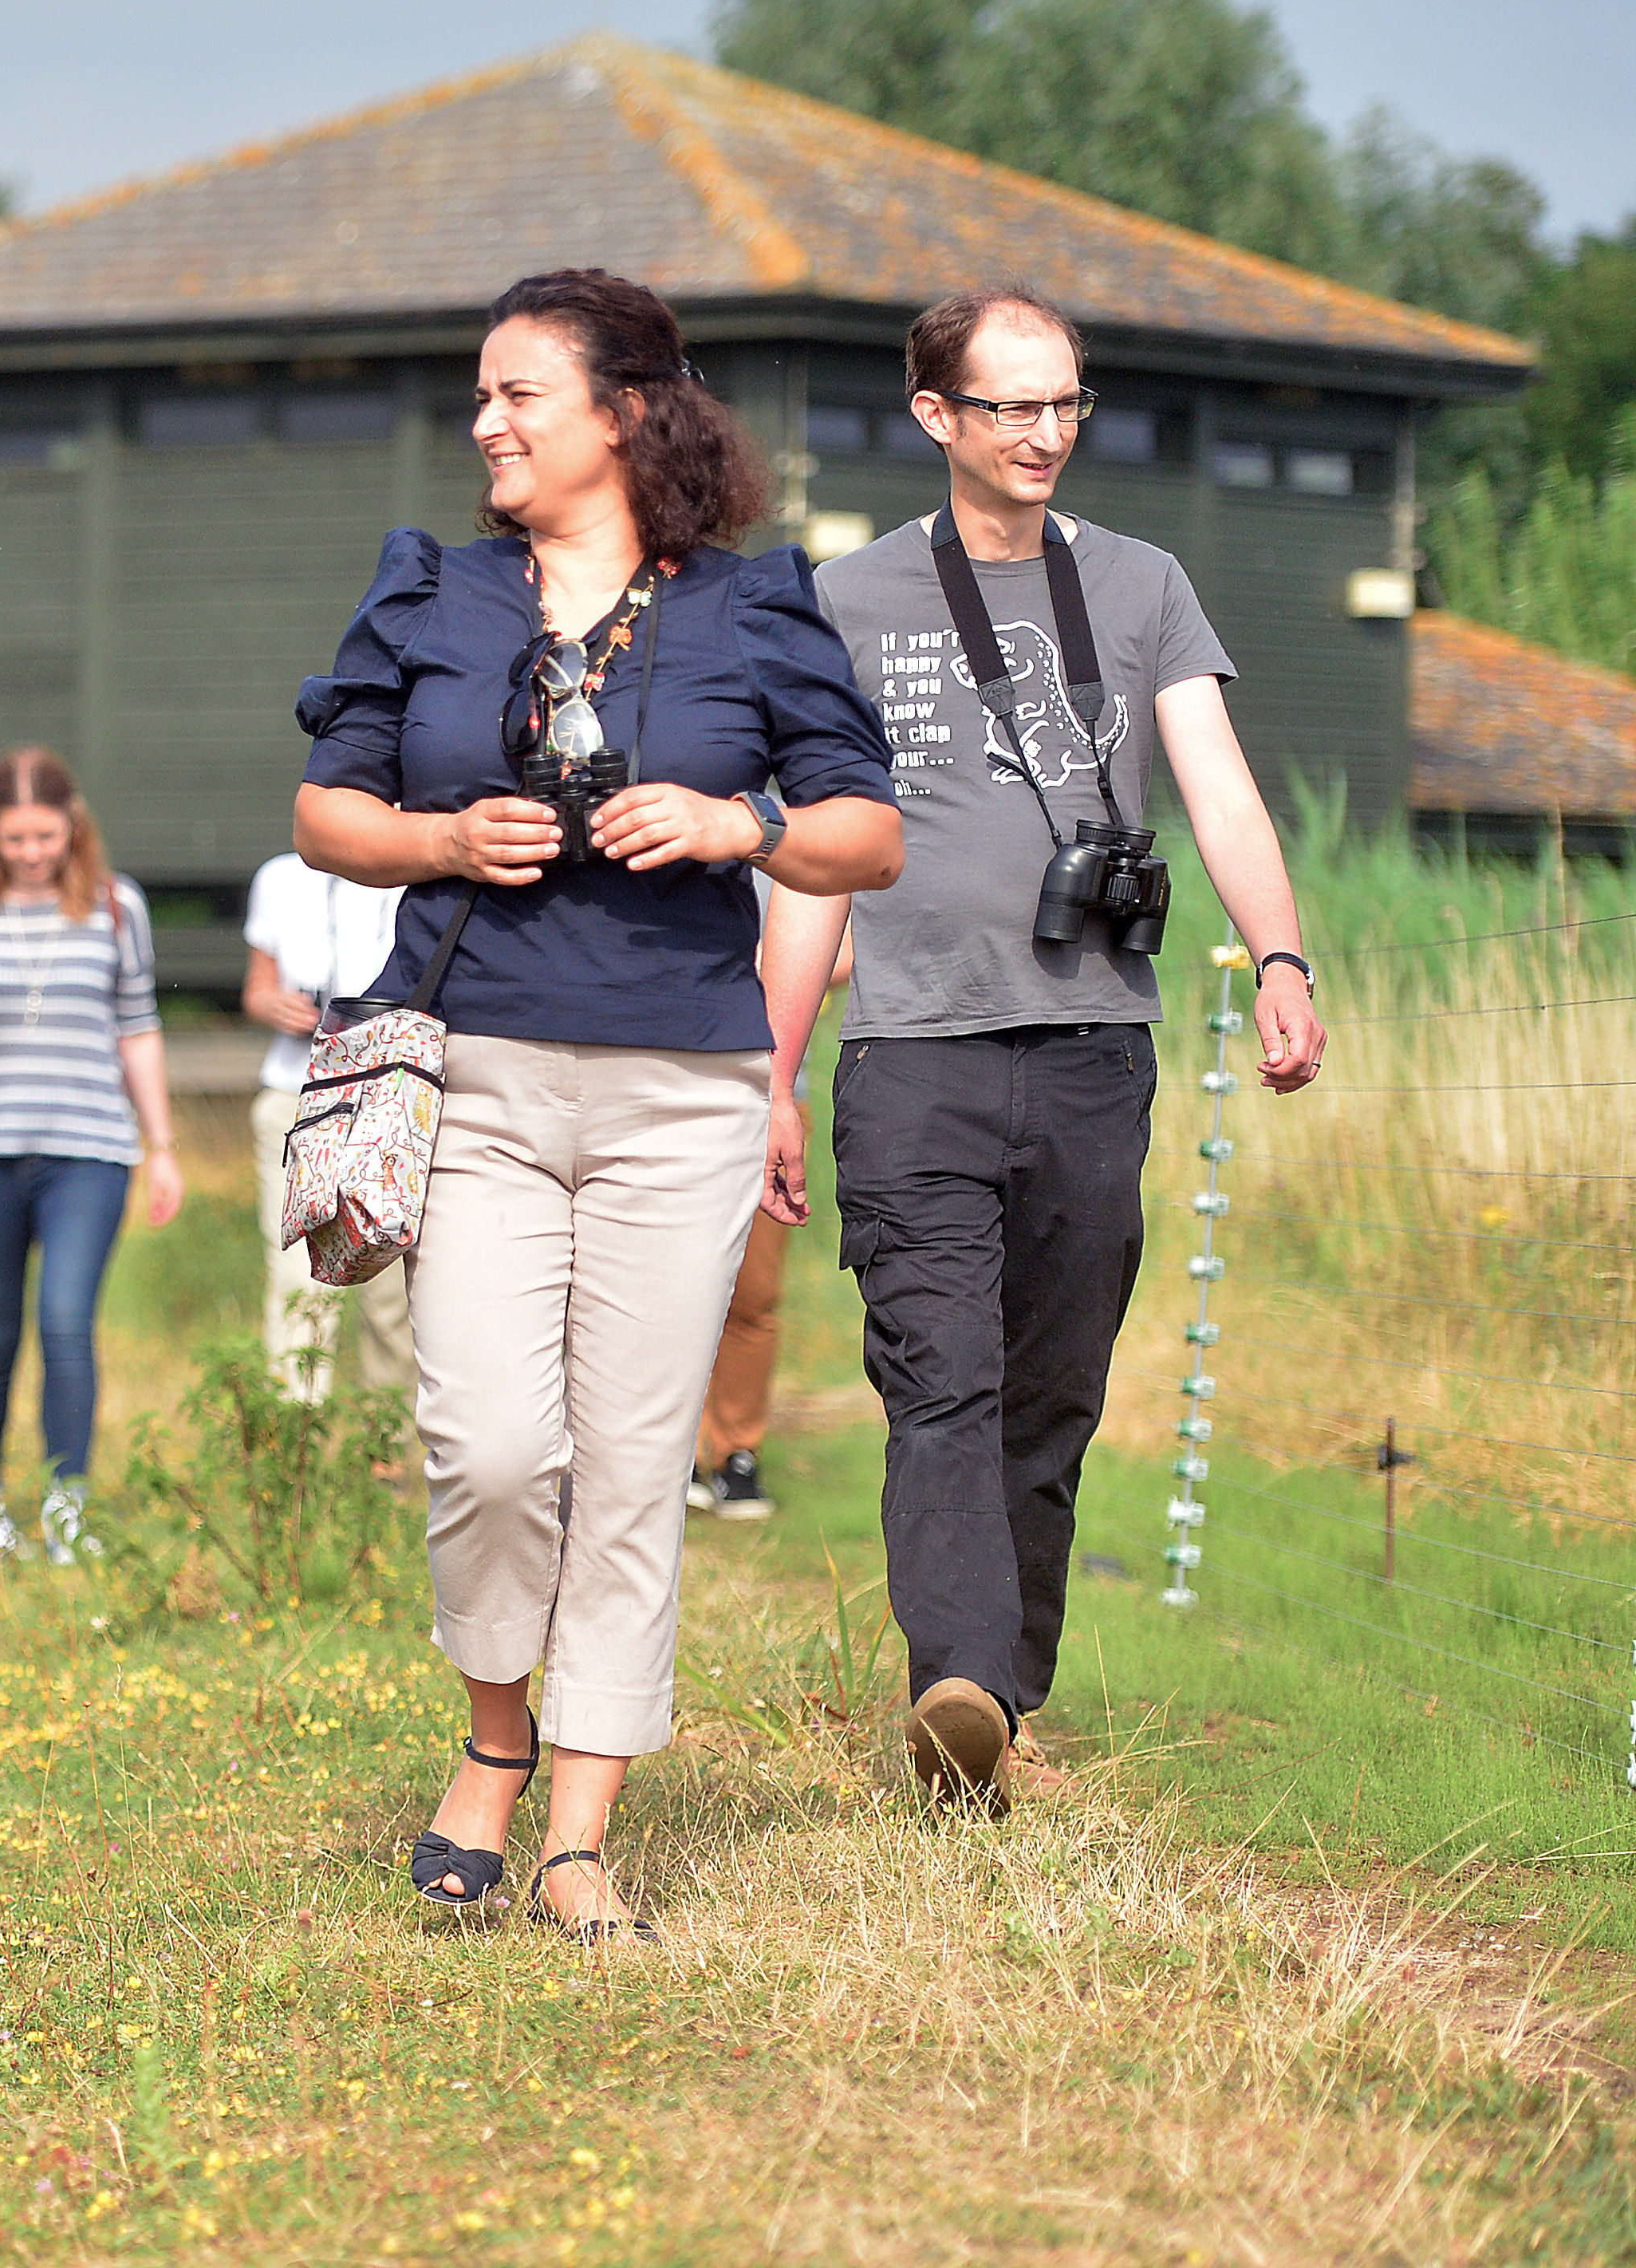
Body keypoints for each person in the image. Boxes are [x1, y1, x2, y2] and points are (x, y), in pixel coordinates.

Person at [295, 268, 903, 1943]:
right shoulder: (429, 590)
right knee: (491, 1446)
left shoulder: (755, 607)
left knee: (632, 1463)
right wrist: (432, 840)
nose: (484, 423)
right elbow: (325, 806)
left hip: (682, 1092)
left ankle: (574, 1830)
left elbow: (867, 834)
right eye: (478, 399)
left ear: (625, 413)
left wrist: (740, 830)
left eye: (517, 396)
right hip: (473, 1070)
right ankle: (491, 1737)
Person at [759, 287, 1326, 1816]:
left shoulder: (1141, 585)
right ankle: (953, 1669)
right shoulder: (845, 598)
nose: (1040, 433)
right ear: (933, 417)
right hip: (913, 1049)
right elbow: (809, 858)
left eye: (1062, 403)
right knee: (936, 1371)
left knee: (1050, 1392)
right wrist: (772, 1070)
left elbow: (1214, 788)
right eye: (1007, 405)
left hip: (1092, 1043)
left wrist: (1276, 953)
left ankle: (994, 1704)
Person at [0, 748, 182, 1564]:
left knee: (66, 1322)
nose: (31, 850)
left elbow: (136, 1026)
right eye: (14, 837)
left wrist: (162, 1146)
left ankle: (67, 1510)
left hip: (89, 1152)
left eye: (45, 834)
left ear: (72, 825)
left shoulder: (112, 905)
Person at [686, 892, 845, 1521]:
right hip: (669, 1084)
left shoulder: (792, 834)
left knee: (752, 1293)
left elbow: (842, 946)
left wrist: (758, 963)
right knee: (658, 1284)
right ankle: (672, 1452)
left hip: (769, 1096)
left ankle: (736, 1454)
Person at [242, 852, 412, 1399]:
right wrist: (276, 1007)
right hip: (297, 1092)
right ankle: (296, 1431)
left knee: (391, 1289)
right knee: (297, 1277)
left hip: (388, 1095)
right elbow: (257, 988)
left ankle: (379, 1439)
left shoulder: (412, 866)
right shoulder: (279, 877)